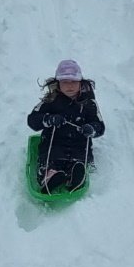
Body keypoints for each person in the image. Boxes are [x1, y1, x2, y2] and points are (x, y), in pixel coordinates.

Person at [26, 59, 105, 192]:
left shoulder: (89, 103)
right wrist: (49, 119)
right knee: (51, 158)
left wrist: (91, 128)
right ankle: (50, 176)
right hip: (54, 141)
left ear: (81, 82)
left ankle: (76, 176)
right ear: (58, 83)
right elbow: (33, 119)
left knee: (78, 160)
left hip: (79, 143)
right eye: (65, 82)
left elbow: (100, 126)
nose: (70, 86)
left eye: (74, 82)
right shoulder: (50, 100)